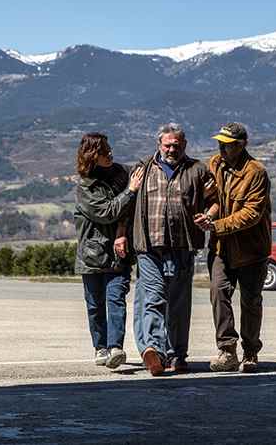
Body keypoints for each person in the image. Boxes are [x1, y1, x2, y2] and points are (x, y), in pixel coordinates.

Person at [127, 123, 214, 376]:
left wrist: (208, 216)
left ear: (184, 145)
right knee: (154, 298)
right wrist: (122, 236)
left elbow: (214, 201)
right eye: (168, 145)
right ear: (159, 145)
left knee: (179, 303)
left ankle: (178, 354)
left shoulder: (198, 170)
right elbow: (130, 205)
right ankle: (154, 351)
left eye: (177, 145)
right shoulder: (142, 169)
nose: (172, 149)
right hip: (149, 246)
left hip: (182, 245)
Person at [195, 122, 271, 373]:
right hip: (221, 248)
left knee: (250, 301)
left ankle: (250, 352)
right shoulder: (214, 164)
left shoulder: (256, 172)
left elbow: (251, 214)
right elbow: (215, 199)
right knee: (218, 292)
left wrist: (216, 225)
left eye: (227, 145)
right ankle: (227, 350)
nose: (222, 148)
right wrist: (208, 214)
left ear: (242, 145)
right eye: (220, 143)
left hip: (251, 250)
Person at [74, 133, 144, 370]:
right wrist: (131, 191)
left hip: (118, 253)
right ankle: (100, 347)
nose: (111, 153)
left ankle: (116, 347)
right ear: (94, 155)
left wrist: (123, 230)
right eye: (105, 151)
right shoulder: (85, 187)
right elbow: (107, 212)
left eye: (110, 149)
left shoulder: (122, 173)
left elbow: (127, 208)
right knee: (94, 304)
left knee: (116, 298)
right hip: (92, 254)